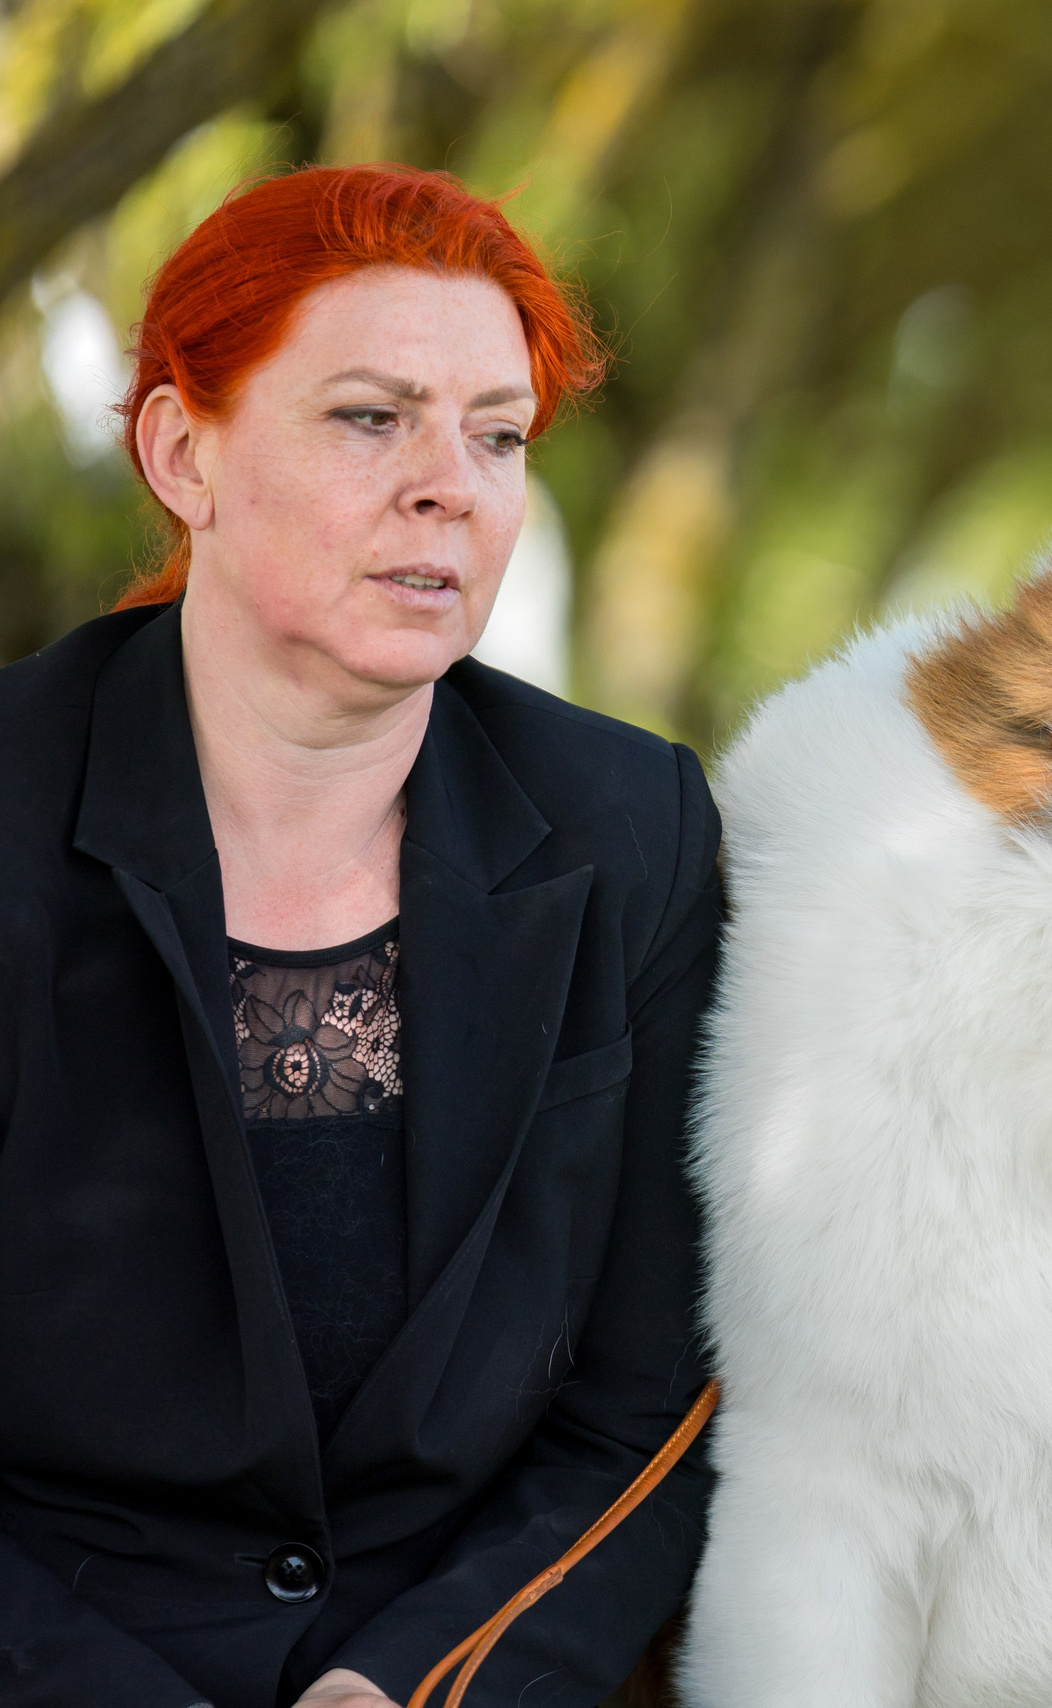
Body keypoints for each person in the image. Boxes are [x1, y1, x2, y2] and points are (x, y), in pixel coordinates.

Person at [0, 165, 718, 1708]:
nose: (451, 484)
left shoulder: (635, 831)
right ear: (184, 452)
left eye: (498, 435)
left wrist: (413, 1685)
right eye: (372, 417)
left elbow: (648, 1412)